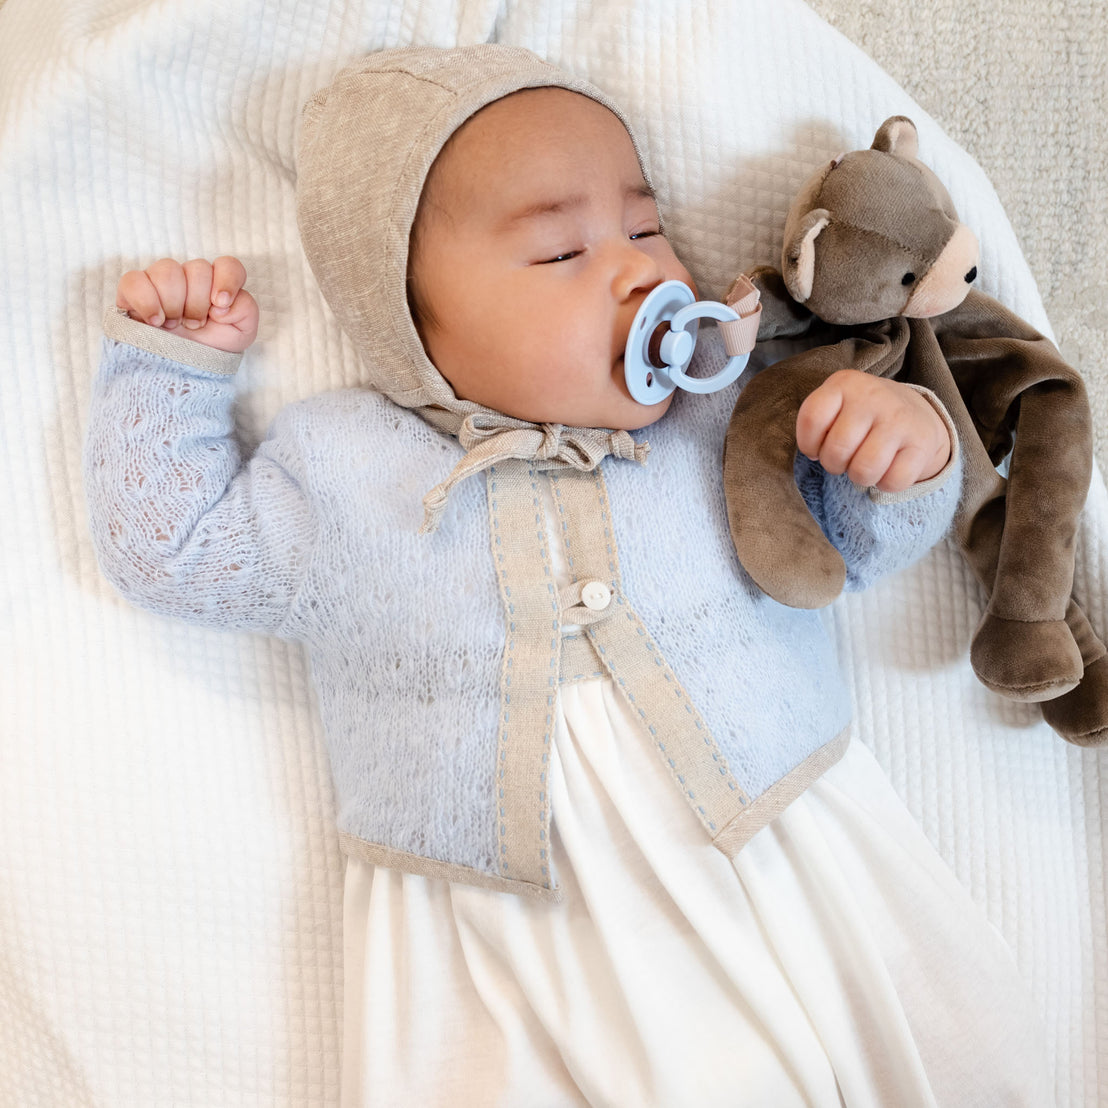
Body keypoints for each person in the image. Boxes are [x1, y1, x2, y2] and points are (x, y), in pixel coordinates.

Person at [85, 44, 1053, 1107]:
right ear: (401, 314)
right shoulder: (342, 473)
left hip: (772, 846)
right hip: (498, 929)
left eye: (646, 227)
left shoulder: (723, 418)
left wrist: (898, 450)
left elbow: (846, 549)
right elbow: (173, 550)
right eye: (560, 252)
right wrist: (170, 373)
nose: (639, 268)